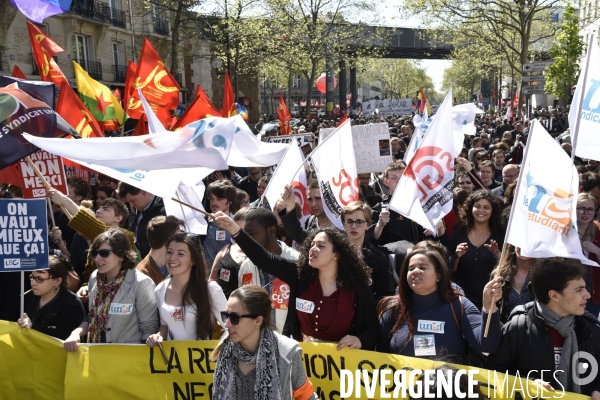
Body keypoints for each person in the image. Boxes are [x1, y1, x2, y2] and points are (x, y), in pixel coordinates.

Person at [212, 211, 380, 350]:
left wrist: (360, 340)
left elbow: (373, 329)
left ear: (336, 254)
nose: (313, 249)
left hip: (338, 367)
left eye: (320, 246)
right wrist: (234, 229)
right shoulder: (299, 275)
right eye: (311, 245)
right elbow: (262, 258)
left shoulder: (356, 287)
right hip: (302, 362)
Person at [486, 258, 600, 398]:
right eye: (579, 290)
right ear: (554, 295)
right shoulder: (518, 328)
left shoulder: (591, 330)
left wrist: (598, 389)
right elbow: (494, 374)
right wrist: (526, 385)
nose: (587, 295)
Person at [378, 247, 503, 362]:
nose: (415, 271)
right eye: (411, 269)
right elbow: (380, 356)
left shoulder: (459, 305)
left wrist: (489, 306)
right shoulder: (393, 309)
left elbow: (487, 345)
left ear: (438, 276)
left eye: (422, 267)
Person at [211, 286, 317, 400]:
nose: (226, 324)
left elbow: (307, 397)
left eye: (234, 317)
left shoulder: (287, 352)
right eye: (225, 316)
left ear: (258, 321)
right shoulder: (225, 349)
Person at [63, 229, 158, 350]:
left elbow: (149, 330)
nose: (97, 259)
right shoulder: (94, 278)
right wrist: (76, 333)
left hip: (128, 360)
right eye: (94, 253)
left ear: (122, 255)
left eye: (104, 253)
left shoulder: (141, 283)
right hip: (96, 354)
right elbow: (92, 315)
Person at [146, 233, 227, 346]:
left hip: (203, 360)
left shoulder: (210, 289)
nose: (172, 258)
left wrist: (218, 349)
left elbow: (230, 326)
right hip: (171, 361)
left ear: (193, 260)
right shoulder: (160, 289)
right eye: (169, 252)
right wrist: (158, 336)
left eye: (180, 254)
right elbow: (164, 325)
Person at [235, 207, 299, 334]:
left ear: (271, 231)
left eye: (252, 234)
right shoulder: (246, 266)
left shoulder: (296, 260)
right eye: (245, 235)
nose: (247, 240)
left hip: (288, 342)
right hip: (255, 341)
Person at [440, 190, 504, 310]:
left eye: (486, 207)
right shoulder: (459, 232)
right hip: (463, 300)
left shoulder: (500, 234)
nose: (481, 210)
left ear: (493, 210)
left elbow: (507, 270)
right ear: (470, 208)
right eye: (477, 206)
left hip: (491, 300)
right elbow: (449, 271)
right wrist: (457, 257)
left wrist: (497, 255)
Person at [18, 256, 85, 340]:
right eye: (32, 277)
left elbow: (66, 336)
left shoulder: (72, 303)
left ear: (57, 281)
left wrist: (33, 327)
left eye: (39, 279)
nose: (33, 283)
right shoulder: (30, 296)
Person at [341, 201, 393, 302]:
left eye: (359, 222)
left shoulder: (378, 258)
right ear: (343, 224)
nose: (354, 226)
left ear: (368, 225)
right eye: (349, 221)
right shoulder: (332, 252)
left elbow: (383, 295)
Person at [371, 161, 426, 245]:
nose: (399, 181)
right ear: (386, 182)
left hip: (418, 254)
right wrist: (380, 225)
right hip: (393, 256)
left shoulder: (420, 206)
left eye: (402, 178)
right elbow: (371, 240)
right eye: (393, 178)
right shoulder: (379, 210)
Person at [118, 182, 166, 259]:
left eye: (132, 200)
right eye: (128, 202)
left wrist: (134, 245)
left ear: (143, 192)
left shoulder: (163, 212)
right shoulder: (135, 210)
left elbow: (161, 245)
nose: (131, 205)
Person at [490, 244, 535, 323]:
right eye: (519, 239)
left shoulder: (542, 276)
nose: (522, 245)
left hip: (534, 332)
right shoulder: (499, 275)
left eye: (527, 241)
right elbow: (491, 309)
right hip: (505, 332)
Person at [210, 209, 248, 298]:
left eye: (243, 230)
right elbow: (212, 282)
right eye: (235, 229)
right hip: (223, 309)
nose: (238, 234)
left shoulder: (264, 255)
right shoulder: (225, 250)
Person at [136, 215, 183, 285]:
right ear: (168, 242)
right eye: (179, 238)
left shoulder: (175, 265)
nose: (183, 241)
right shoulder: (142, 275)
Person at [203, 180, 237, 269]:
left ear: (230, 201)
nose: (214, 203)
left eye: (219, 199)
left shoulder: (237, 225)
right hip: (206, 276)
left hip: (227, 277)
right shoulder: (203, 222)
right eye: (211, 198)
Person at [576, 193, 600, 317]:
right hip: (568, 291)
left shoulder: (598, 230)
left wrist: (597, 250)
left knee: (589, 331)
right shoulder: (564, 229)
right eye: (581, 208)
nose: (585, 213)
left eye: (590, 209)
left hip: (592, 293)